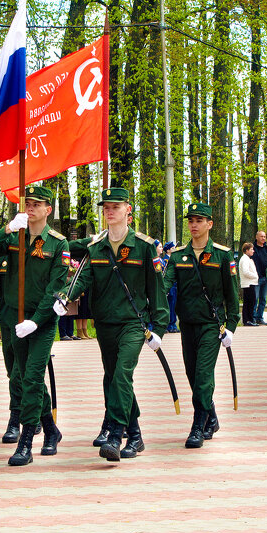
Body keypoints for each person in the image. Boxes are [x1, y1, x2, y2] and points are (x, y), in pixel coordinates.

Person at [57, 188, 167, 462]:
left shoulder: (143, 246)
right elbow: (82, 278)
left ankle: (117, 435)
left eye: (115, 206)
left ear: (128, 210)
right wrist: (65, 297)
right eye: (106, 206)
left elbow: (157, 289)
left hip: (133, 322)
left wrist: (160, 328)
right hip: (105, 323)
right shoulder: (96, 247)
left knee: (121, 375)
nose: (109, 210)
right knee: (113, 379)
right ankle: (136, 434)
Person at [0, 185, 67, 465]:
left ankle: (26, 441)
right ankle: (52, 430)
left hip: (41, 322)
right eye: (27, 203)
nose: (30, 208)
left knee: (31, 378)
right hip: (14, 319)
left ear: (48, 210)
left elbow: (55, 288)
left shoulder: (58, 243)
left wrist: (36, 320)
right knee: (22, 379)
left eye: (36, 204)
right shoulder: (15, 235)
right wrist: (6, 230)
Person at [162, 202, 238, 448]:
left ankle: (197, 425)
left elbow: (231, 294)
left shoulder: (222, 255)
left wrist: (232, 326)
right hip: (188, 324)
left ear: (209, 224)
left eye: (198, 221)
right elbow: (164, 286)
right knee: (192, 375)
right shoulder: (177, 256)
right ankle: (211, 414)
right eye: (190, 221)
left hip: (211, 325)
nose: (193, 225)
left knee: (204, 376)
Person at [251, 230, 267, 323]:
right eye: (261, 236)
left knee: (263, 299)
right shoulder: (253, 249)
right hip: (256, 278)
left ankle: (260, 317)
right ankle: (253, 317)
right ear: (256, 237)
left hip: (265, 277)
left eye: (264, 236)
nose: (263, 238)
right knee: (255, 298)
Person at [238, 242, 258, 327]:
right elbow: (245, 272)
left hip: (250, 283)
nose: (253, 251)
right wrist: (255, 276)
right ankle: (248, 320)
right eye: (251, 249)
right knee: (249, 302)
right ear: (246, 250)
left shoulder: (247, 259)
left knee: (250, 302)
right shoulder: (245, 259)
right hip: (248, 284)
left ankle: (249, 319)